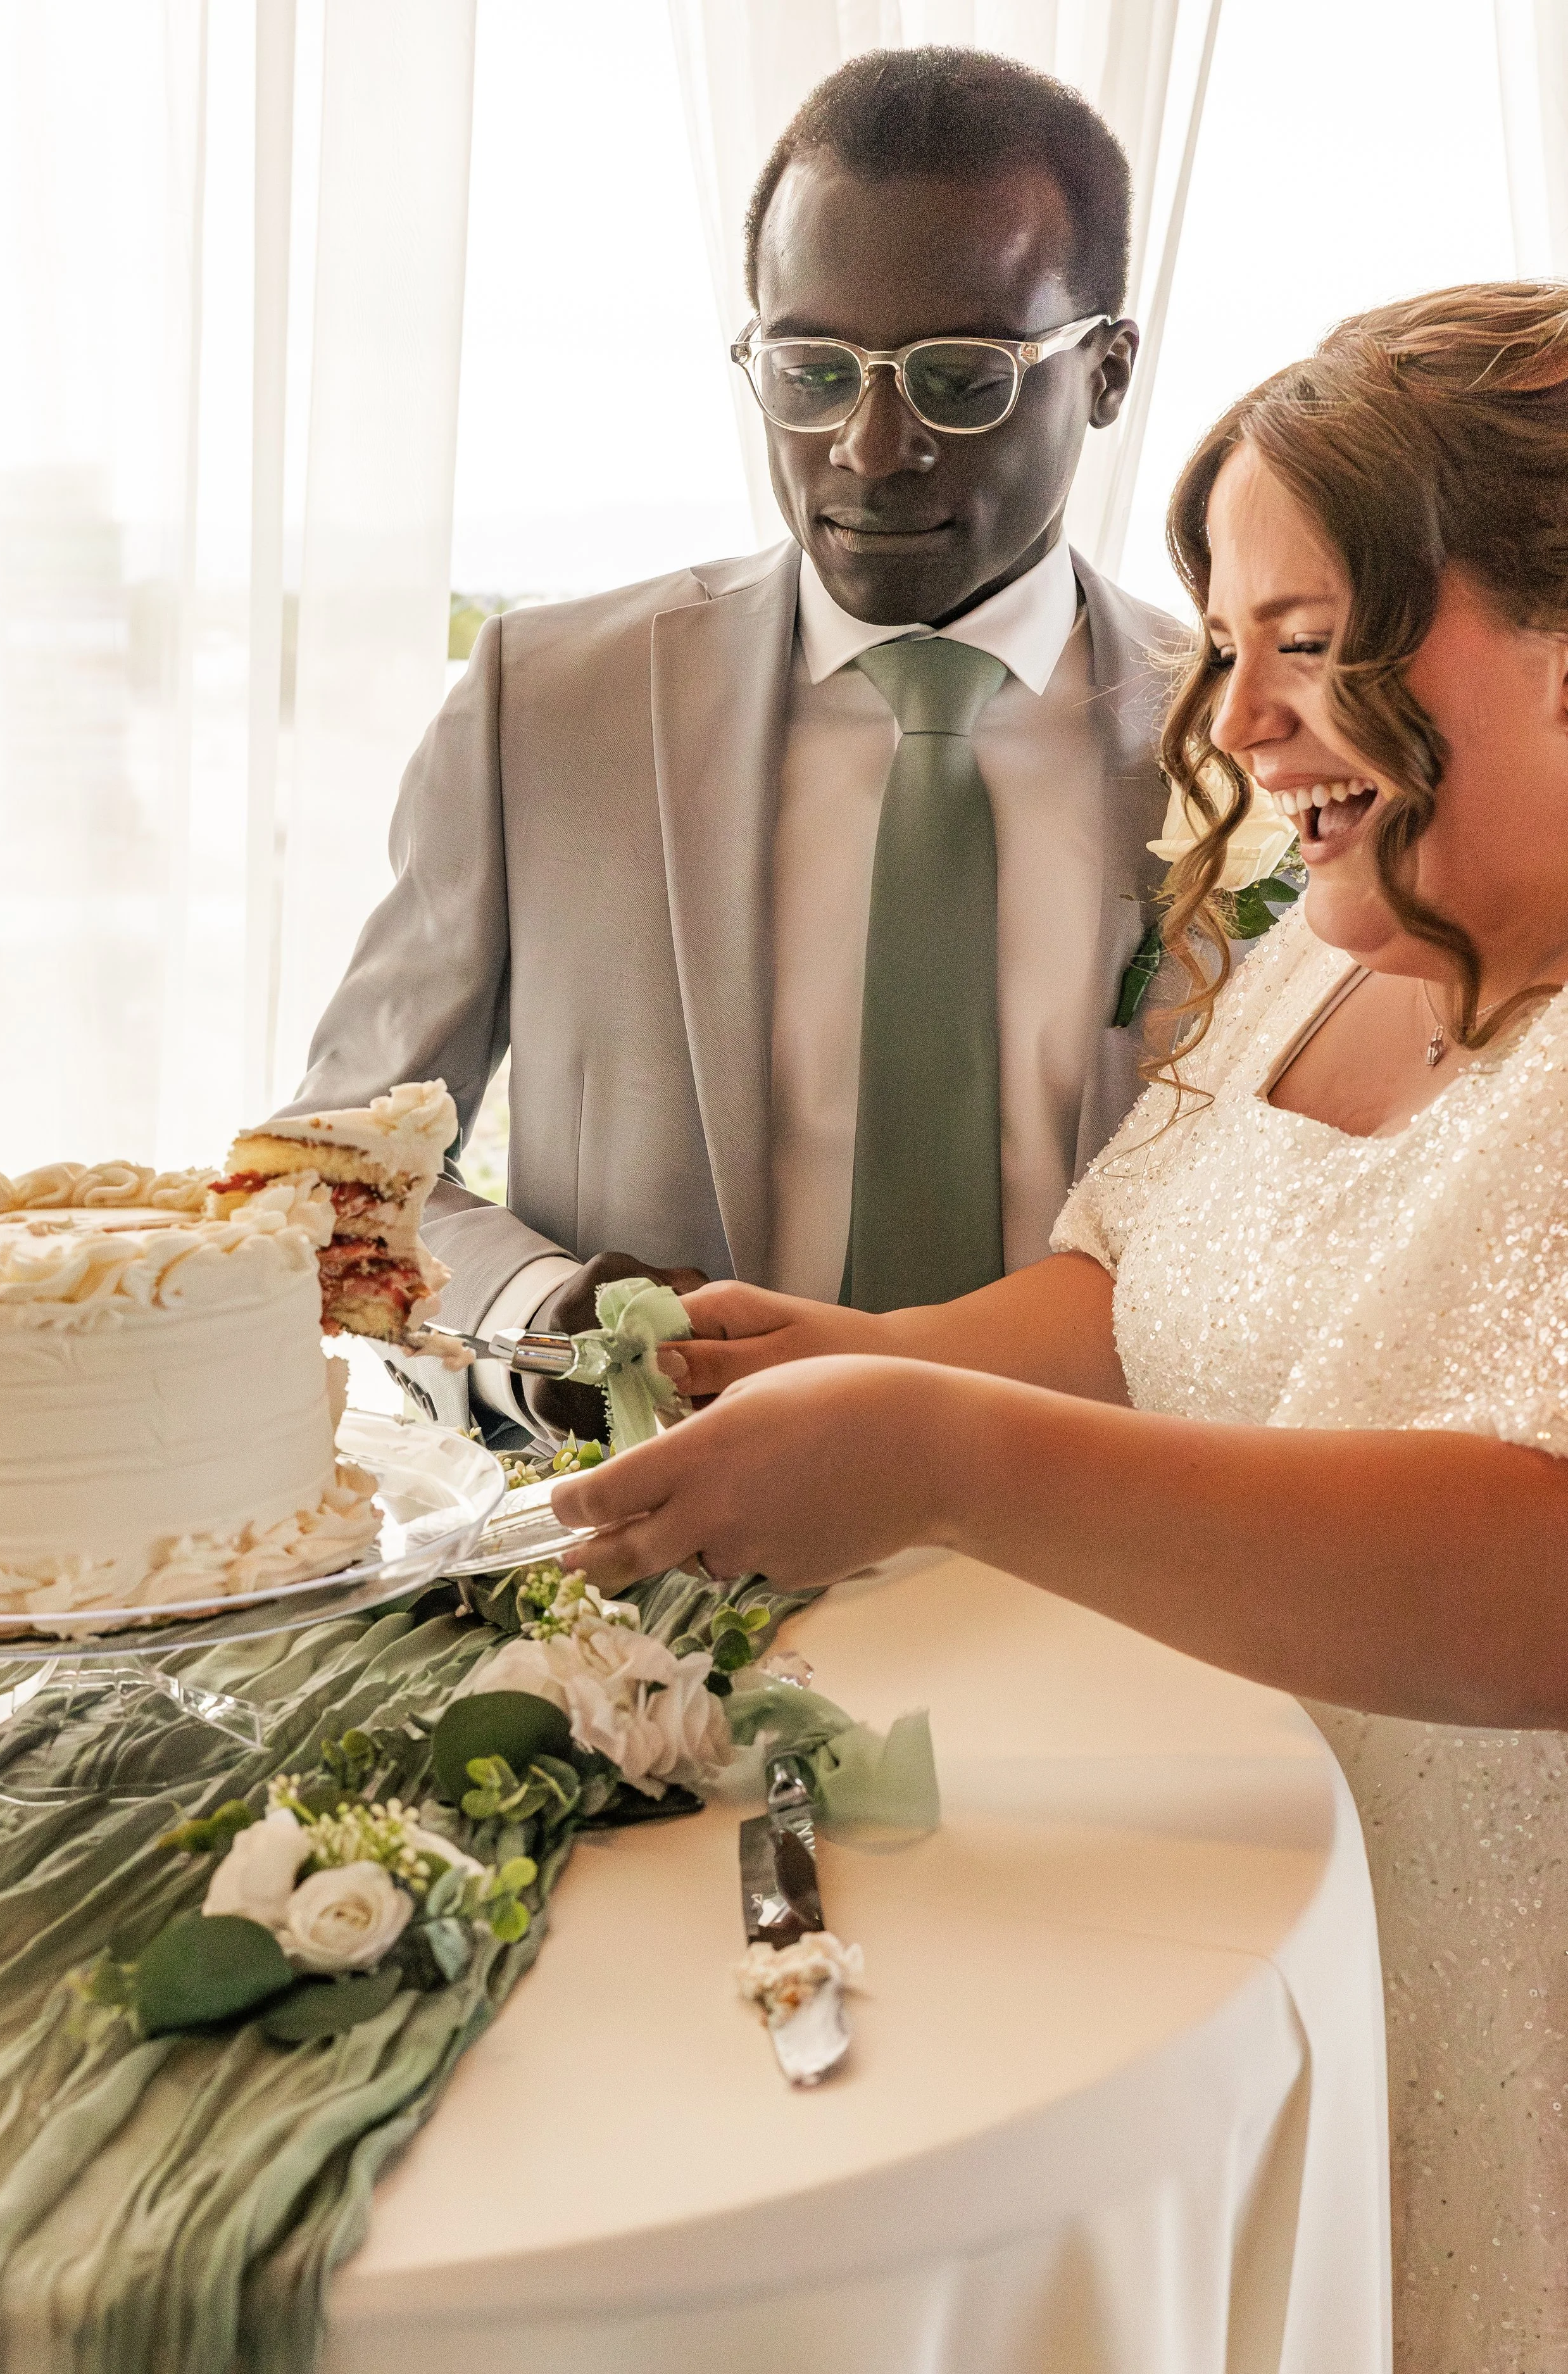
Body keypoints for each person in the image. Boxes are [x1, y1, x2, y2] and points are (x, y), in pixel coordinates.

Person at [551, 284, 1568, 2370]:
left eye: (1315, 641)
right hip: (1239, 1957)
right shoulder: (1324, 941)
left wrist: (935, 1450)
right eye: (1230, 639)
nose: (1242, 718)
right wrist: (858, 1349)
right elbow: (1133, 1287)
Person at [288, 46, 1175, 1444]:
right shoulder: (548, 698)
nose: (872, 447)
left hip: (1119, 1573)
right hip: (642, 1589)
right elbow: (335, 1167)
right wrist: (540, 1319)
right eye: (811, 369)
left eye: (958, 377)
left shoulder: (1259, 743)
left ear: (1108, 369)